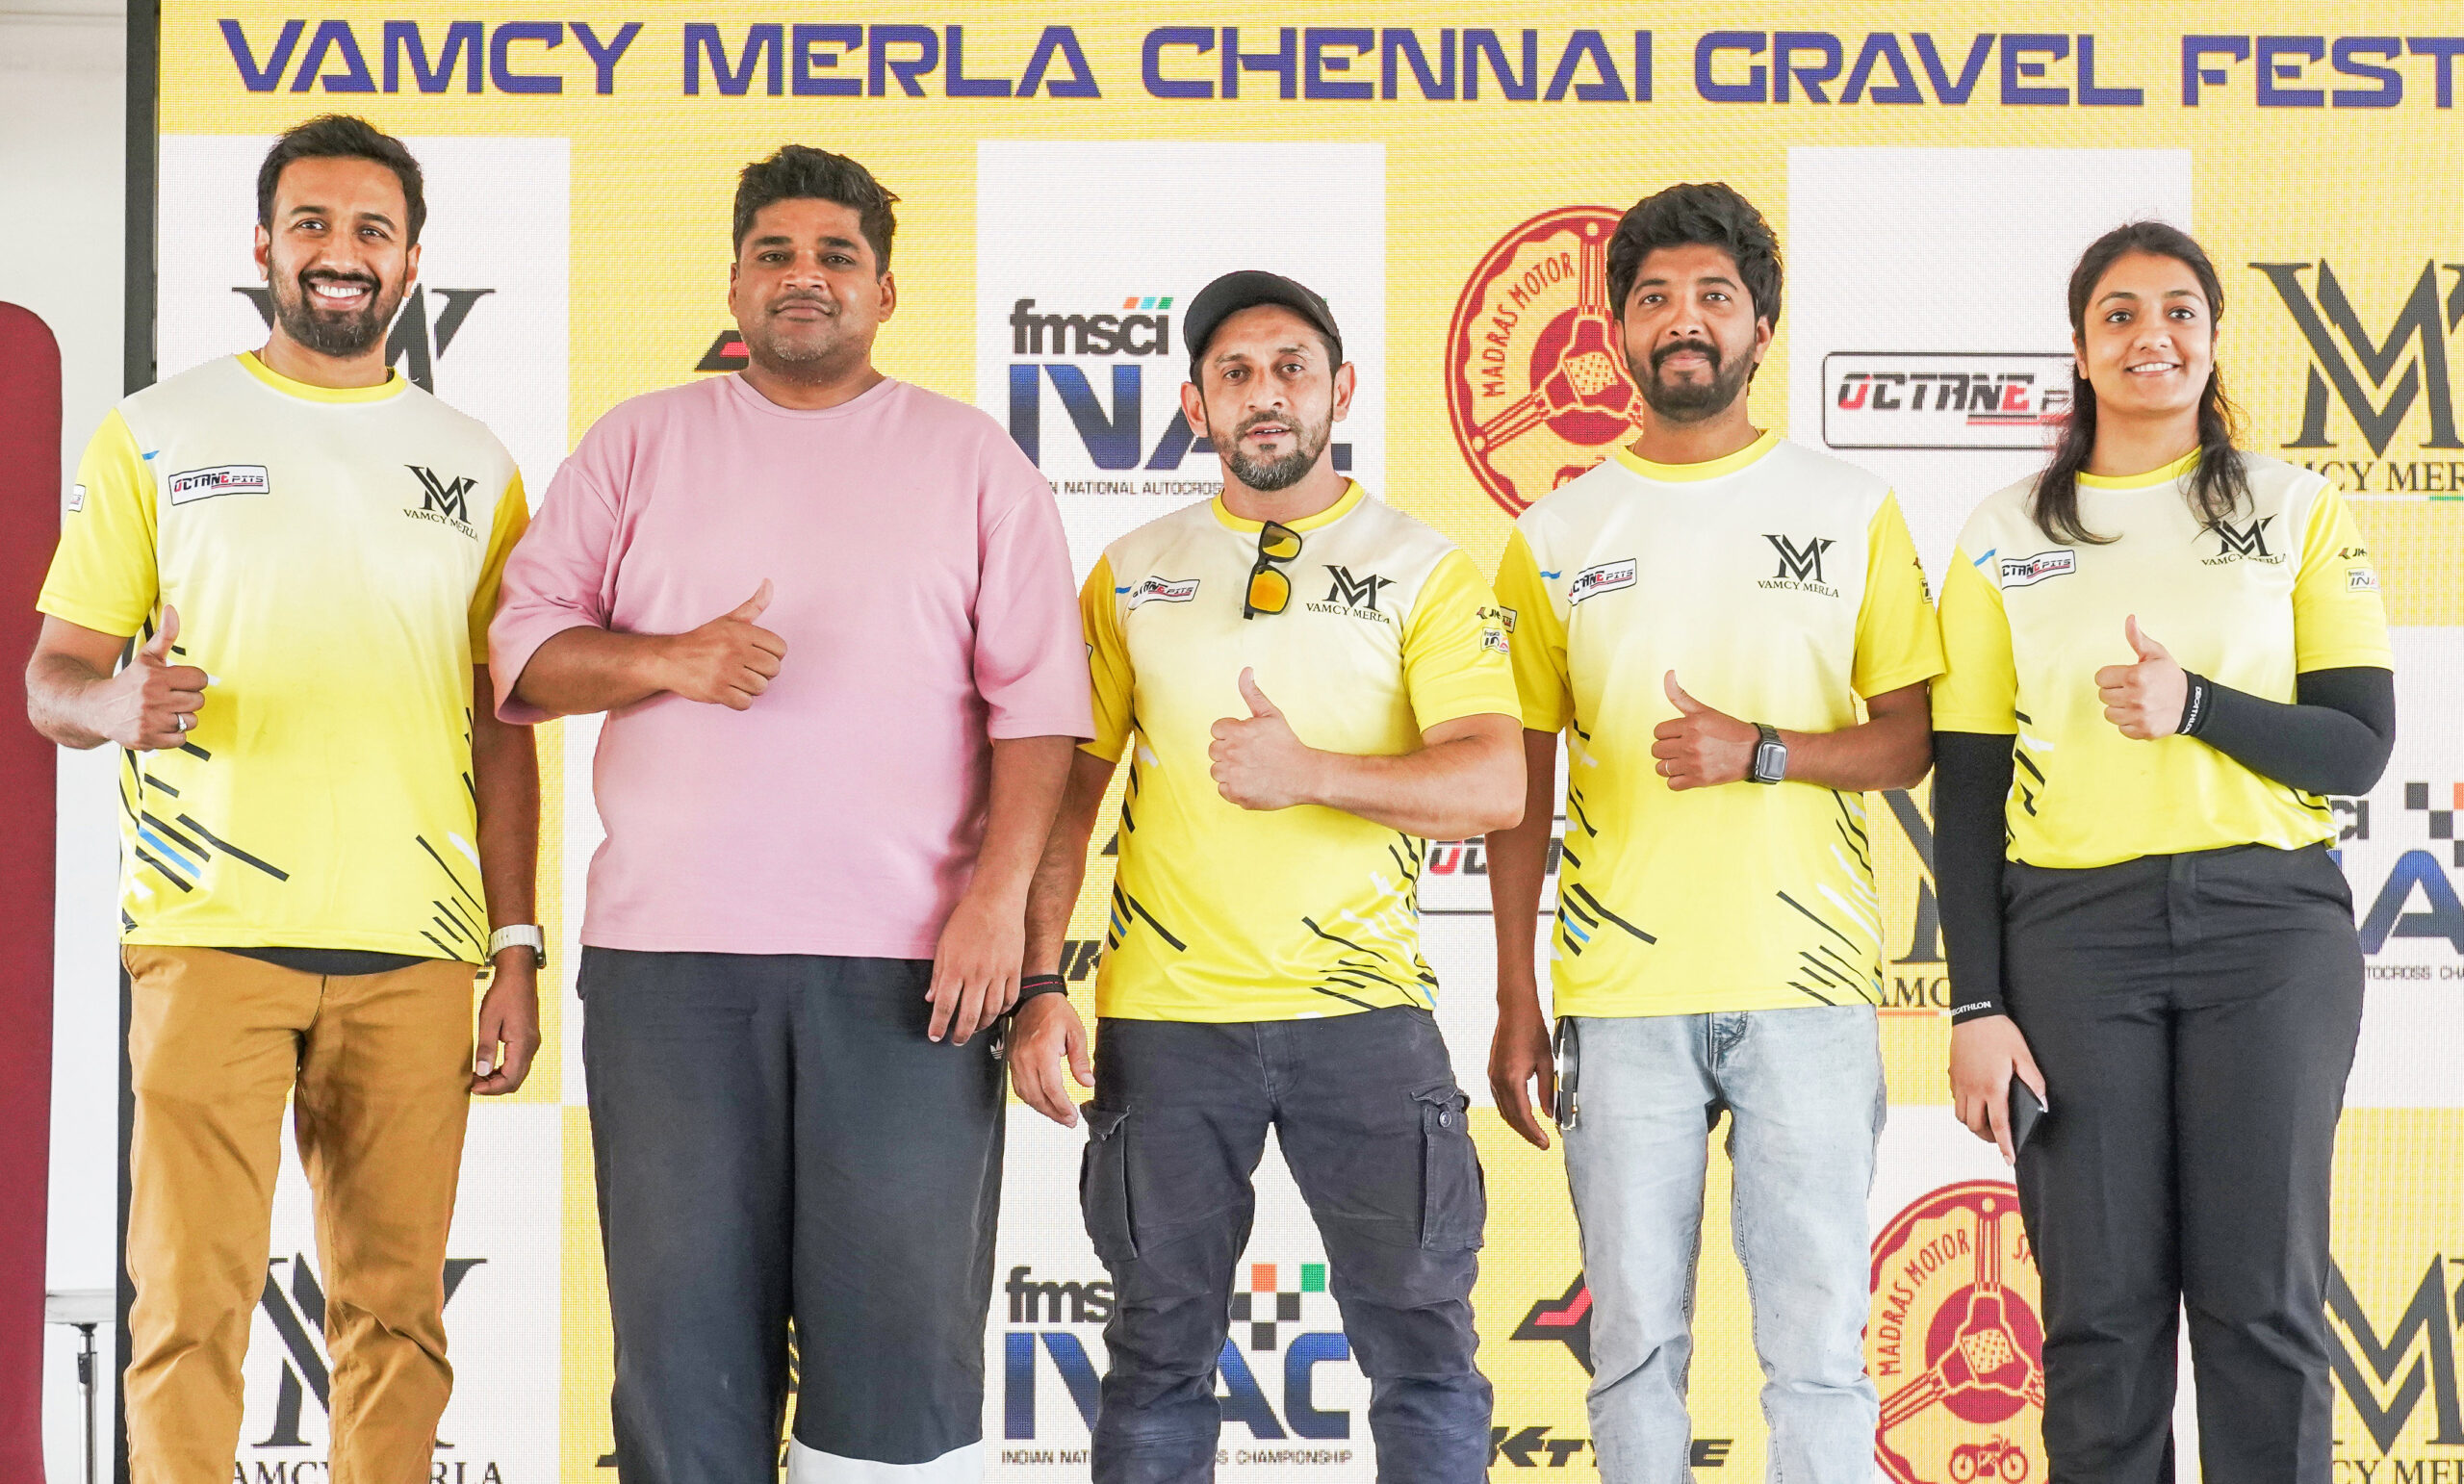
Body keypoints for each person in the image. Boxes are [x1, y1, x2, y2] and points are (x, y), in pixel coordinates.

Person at [487, 144, 1089, 1482]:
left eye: (835, 256)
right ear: (736, 281)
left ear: (884, 291)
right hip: (669, 972)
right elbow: (520, 652)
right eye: (775, 253)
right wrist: (664, 657)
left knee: (903, 1359)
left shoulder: (973, 460)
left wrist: (997, 909)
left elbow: (1041, 714)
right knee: (682, 1349)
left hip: (910, 973)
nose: (802, 276)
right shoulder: (640, 441)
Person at [24, 115, 542, 1483]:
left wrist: (516, 943)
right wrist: (110, 705)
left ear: (413, 262)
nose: (340, 253)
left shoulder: (479, 465)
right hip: (207, 933)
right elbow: (53, 678)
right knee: (188, 1307)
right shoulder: (157, 430)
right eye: (311, 224)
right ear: (262, 246)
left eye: (371, 230)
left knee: (398, 1318)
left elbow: (505, 722)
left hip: (419, 948)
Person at [1007, 270, 1523, 1484]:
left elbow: (1494, 785)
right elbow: (1063, 804)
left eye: (1291, 367)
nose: (1265, 394)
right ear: (1195, 406)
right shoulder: (1130, 571)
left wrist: (1311, 773)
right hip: (1169, 1027)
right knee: (1155, 1358)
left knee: (1424, 1355)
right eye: (1235, 374)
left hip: (1365, 1020)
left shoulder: (1426, 567)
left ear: (1341, 390)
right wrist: (1039, 984)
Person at [1484, 182, 1943, 1484]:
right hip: (1618, 997)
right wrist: (1516, 990)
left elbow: (1911, 738)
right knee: (1630, 1345)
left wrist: (1766, 753)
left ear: (1761, 323)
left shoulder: (1851, 506)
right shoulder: (1555, 534)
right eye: (1654, 299)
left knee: (1819, 1349)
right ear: (1617, 332)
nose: (1684, 322)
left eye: (1713, 297)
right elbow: (1520, 786)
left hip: (1808, 989)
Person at [1934, 219, 2395, 1484]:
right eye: (2122, 315)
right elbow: (1965, 793)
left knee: (2263, 1302)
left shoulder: (2297, 506)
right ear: (2080, 350)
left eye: (2181, 311)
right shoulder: (2001, 529)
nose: (2155, 335)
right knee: (2099, 1315)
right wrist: (1975, 1001)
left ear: (2211, 340)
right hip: (2074, 944)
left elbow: (2357, 747)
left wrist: (2196, 705)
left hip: (2272, 932)